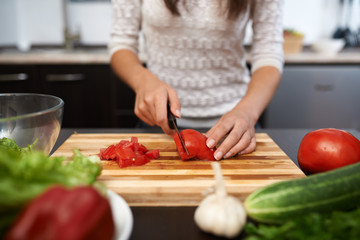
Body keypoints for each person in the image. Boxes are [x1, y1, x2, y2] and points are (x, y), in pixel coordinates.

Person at [109, 0, 284, 160]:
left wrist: (247, 112)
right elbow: (121, 43)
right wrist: (142, 80)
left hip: (238, 125)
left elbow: (268, 53)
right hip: (158, 122)